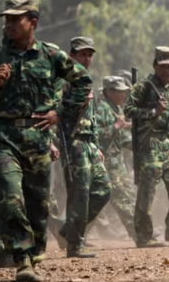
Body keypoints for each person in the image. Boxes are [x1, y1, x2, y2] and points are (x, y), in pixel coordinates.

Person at [0, 0, 92, 281]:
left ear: (32, 22)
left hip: (37, 140)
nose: (10, 24)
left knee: (38, 205)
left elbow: (83, 81)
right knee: (11, 198)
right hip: (3, 137)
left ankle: (32, 256)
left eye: (16, 19)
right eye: (7, 19)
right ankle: (22, 260)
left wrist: (60, 113)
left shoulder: (51, 56)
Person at [124, 46, 169, 248]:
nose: (167, 71)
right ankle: (143, 236)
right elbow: (128, 110)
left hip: (165, 145)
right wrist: (153, 111)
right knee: (147, 192)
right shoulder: (144, 86)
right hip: (149, 144)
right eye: (163, 66)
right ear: (155, 65)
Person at [60, 37, 112, 258]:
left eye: (90, 55)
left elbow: (93, 120)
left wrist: (97, 145)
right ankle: (75, 243)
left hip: (89, 143)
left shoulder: (87, 79)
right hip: (73, 142)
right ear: (72, 55)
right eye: (83, 54)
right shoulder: (64, 81)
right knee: (79, 193)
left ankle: (69, 231)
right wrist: (76, 104)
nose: (87, 58)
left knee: (102, 190)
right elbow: (55, 113)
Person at [95, 76, 137, 239]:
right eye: (118, 92)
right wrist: (115, 126)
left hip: (118, 162)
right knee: (121, 198)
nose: (122, 95)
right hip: (107, 162)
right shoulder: (102, 109)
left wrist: (138, 145)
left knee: (128, 194)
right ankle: (139, 232)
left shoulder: (116, 109)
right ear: (108, 92)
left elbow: (123, 138)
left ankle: (71, 233)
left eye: (123, 92)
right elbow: (95, 135)